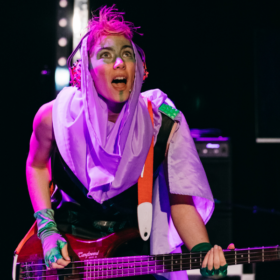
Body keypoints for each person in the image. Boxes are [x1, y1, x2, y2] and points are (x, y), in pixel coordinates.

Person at [26, 5, 234, 280]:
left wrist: (204, 250)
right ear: (85, 71)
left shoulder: (164, 125)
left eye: (127, 54)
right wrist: (47, 231)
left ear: (140, 69)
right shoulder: (54, 117)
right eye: (106, 55)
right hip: (68, 251)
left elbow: (181, 201)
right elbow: (37, 166)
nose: (120, 63)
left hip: (130, 253)